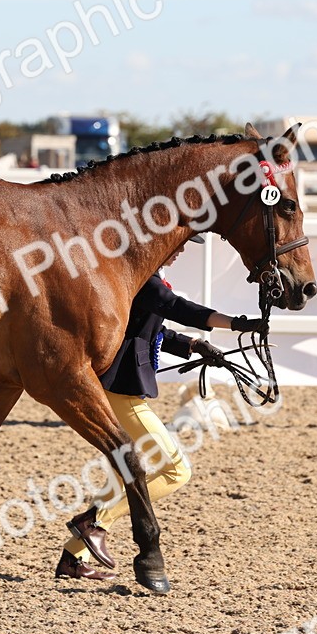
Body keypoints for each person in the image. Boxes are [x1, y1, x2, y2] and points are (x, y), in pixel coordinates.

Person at [56, 235, 266, 581]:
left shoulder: (145, 277)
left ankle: (73, 557)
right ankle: (93, 522)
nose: (182, 249)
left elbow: (154, 328)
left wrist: (195, 345)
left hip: (119, 388)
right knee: (175, 470)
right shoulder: (146, 278)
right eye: (179, 243)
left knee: (128, 473)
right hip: (120, 391)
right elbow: (175, 306)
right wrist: (237, 324)